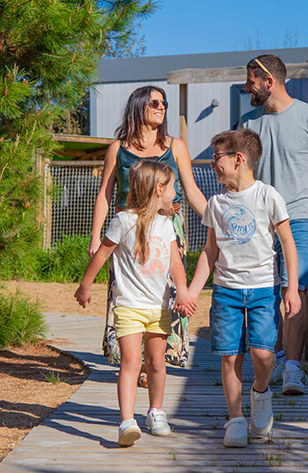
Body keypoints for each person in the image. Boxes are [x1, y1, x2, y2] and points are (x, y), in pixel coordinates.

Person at [178, 128, 301, 448]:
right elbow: (210, 251)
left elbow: (288, 243)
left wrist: (291, 288)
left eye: (216, 157)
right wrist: (192, 291)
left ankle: (260, 392)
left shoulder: (268, 196)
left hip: (263, 289)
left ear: (238, 159)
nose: (212, 164)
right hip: (226, 291)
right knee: (230, 357)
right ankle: (235, 419)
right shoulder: (216, 203)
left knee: (263, 353)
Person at [239, 54, 308, 396]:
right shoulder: (248, 122)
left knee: (293, 290)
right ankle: (272, 362)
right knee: (264, 292)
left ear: (269, 81)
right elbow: (240, 174)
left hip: (299, 217)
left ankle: (293, 369)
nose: (247, 88)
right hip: (259, 221)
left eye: (251, 81)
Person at [89, 85, 207, 384]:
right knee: (129, 291)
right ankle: (134, 361)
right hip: (127, 230)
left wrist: (217, 220)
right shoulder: (117, 149)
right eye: (154, 102)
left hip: (168, 227)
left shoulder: (176, 147)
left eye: (164, 102)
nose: (161, 106)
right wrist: (95, 236)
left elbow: (191, 190)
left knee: (166, 292)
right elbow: (104, 194)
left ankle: (156, 362)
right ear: (139, 105)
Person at [75, 161, 189, 447]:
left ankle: (156, 412)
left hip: (160, 307)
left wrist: (184, 292)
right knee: (131, 362)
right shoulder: (123, 221)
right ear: (158, 189)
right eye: (172, 187)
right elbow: (102, 254)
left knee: (156, 363)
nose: (175, 193)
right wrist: (85, 285)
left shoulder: (166, 225)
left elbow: (175, 263)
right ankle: (127, 421)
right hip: (128, 306)